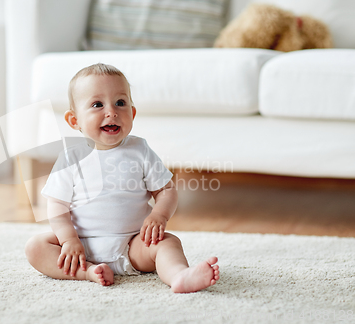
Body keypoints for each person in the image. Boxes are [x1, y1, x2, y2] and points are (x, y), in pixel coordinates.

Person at [24, 63, 220, 293]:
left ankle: (179, 275)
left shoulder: (140, 149)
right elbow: (57, 204)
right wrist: (68, 240)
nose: (111, 112)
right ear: (74, 120)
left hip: (133, 244)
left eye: (120, 102)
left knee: (168, 243)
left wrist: (159, 215)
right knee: (35, 247)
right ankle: (87, 272)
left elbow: (166, 190)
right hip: (81, 245)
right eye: (97, 104)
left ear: (132, 113)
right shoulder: (71, 158)